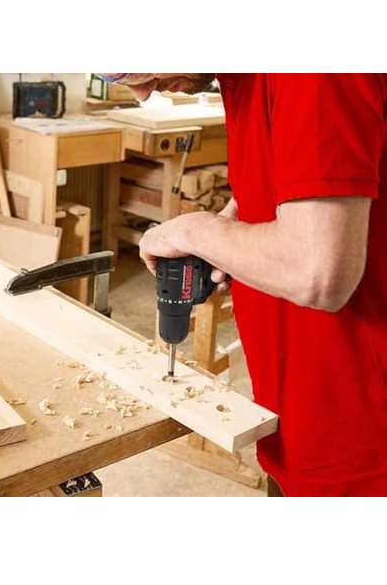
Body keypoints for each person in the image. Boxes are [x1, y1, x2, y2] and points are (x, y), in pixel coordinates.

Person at [100, 73, 387, 497]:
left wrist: (197, 233)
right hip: (299, 413)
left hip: (362, 443)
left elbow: (316, 272)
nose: (141, 93)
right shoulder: (243, 77)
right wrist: (240, 237)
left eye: (132, 71)